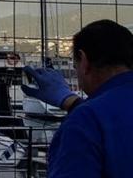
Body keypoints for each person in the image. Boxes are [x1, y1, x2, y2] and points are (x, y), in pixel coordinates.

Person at [22, 19, 133, 177]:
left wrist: (81, 113)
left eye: (75, 66)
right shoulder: (91, 118)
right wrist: (71, 101)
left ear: (84, 61)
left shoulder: (85, 122)